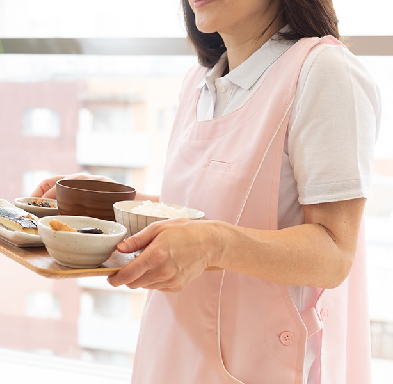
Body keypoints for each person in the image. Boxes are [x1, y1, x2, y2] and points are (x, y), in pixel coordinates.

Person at [32, 0, 381, 382]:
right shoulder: (199, 82)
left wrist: (214, 244)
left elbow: (334, 253)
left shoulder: (325, 72)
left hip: (259, 365)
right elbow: (194, 213)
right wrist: (108, 204)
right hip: (171, 354)